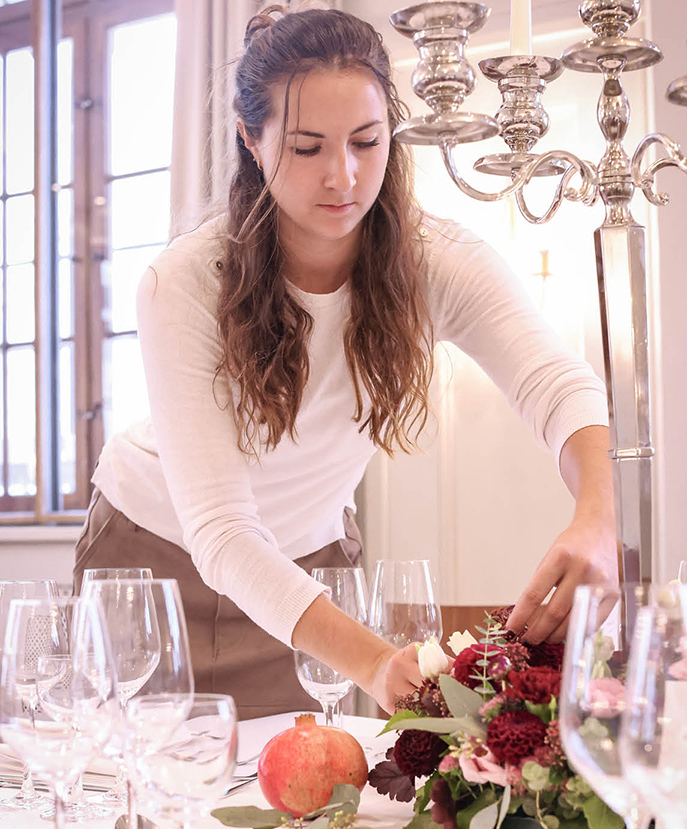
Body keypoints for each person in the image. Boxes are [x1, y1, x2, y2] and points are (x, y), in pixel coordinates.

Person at [72, 7, 616, 719]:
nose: (343, 175)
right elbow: (223, 533)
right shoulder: (184, 282)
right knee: (134, 801)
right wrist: (373, 661)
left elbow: (558, 382)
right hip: (153, 562)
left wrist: (598, 520)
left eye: (366, 140)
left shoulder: (435, 259)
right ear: (252, 141)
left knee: (296, 815)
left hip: (308, 578)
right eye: (306, 148)